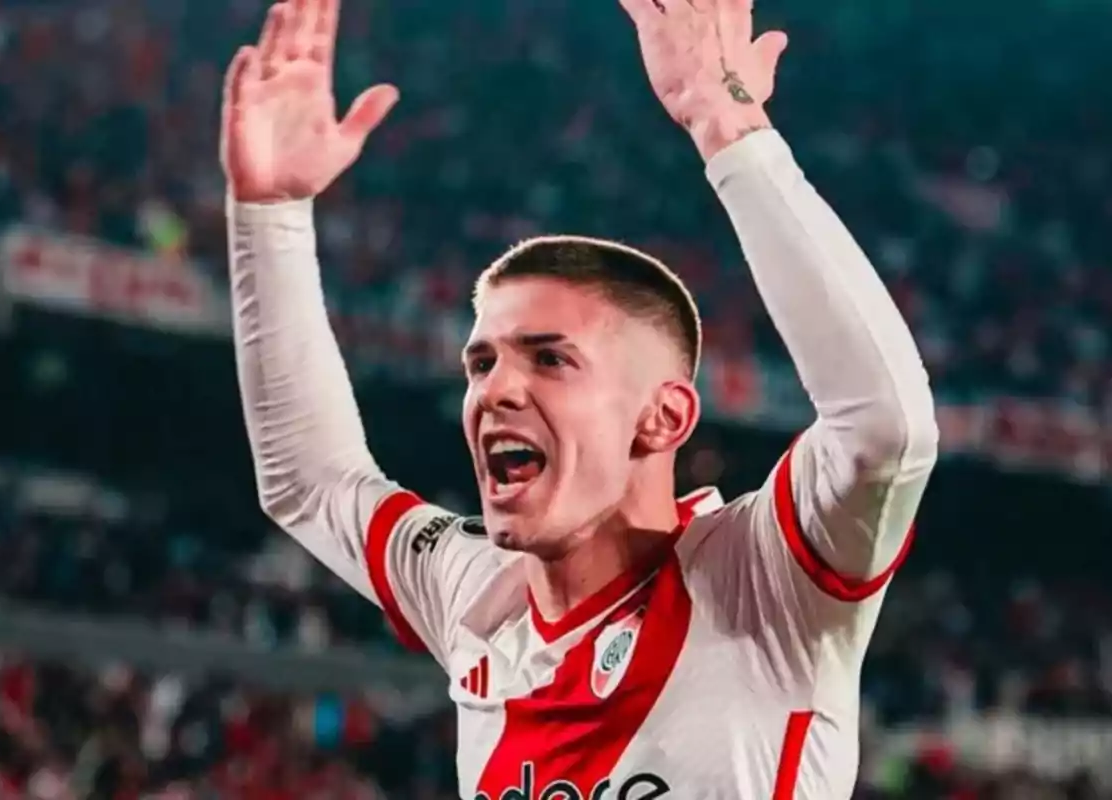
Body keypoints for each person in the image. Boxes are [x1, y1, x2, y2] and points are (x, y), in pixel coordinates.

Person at [221, 0, 939, 796]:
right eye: (481, 362)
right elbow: (309, 480)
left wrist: (729, 131)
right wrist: (271, 215)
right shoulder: (477, 593)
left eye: (550, 359)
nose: (496, 390)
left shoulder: (763, 581)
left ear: (663, 416)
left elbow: (886, 430)